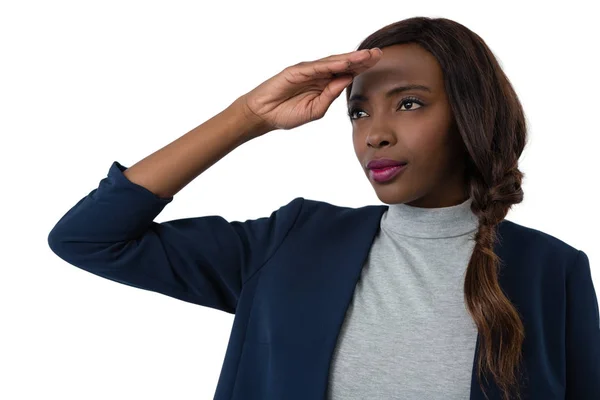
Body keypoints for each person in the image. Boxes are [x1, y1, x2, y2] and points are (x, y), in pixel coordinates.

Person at [47, 16, 599, 400]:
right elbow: (90, 238)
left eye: (408, 104)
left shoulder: (554, 271)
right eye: (358, 113)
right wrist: (249, 116)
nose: (375, 134)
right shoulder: (294, 241)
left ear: (471, 116)